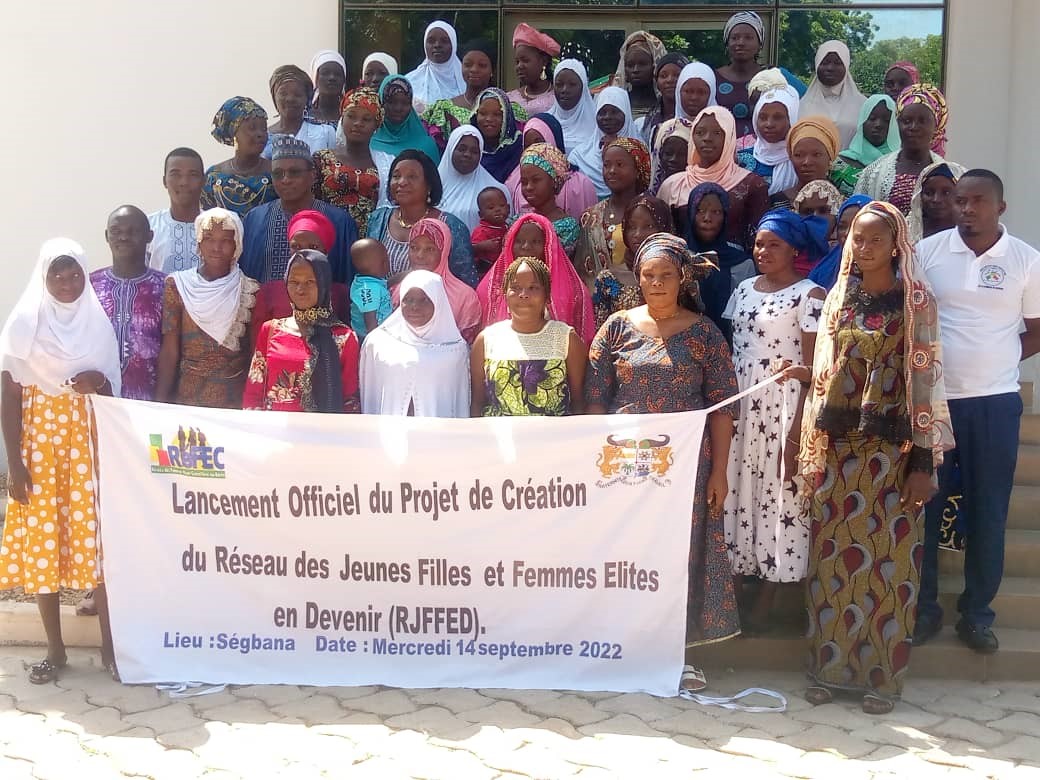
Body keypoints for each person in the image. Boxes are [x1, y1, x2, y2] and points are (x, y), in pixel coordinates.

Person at [797, 200, 952, 713]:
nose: (863, 248)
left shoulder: (916, 301)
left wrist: (923, 461)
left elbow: (927, 379)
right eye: (856, 239)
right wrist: (811, 445)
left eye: (875, 240)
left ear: (896, 245)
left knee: (890, 564)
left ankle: (881, 679)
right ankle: (828, 670)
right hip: (839, 447)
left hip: (893, 449)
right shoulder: (839, 296)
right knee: (831, 560)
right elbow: (825, 372)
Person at [586, 233, 739, 692]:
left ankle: (680, 655)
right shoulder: (616, 328)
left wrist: (719, 472)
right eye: (648, 275)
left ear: (682, 278)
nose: (656, 283)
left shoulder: (705, 334)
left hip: (685, 471)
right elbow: (595, 400)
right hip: (624, 469)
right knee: (628, 555)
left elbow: (722, 408)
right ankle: (625, 649)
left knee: (679, 556)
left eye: (666, 275)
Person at [915, 170, 1040, 654]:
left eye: (977, 201)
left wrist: (1000, 359)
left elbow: (1036, 328)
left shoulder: (1026, 261)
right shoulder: (929, 252)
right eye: (960, 201)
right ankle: (924, 611)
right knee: (925, 507)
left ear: (1000, 208)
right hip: (934, 403)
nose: (966, 209)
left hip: (994, 404)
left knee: (989, 509)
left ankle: (977, 616)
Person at [0, 238, 122, 684]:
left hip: (88, 446)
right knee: (44, 544)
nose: (67, 282)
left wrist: (98, 382)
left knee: (99, 545)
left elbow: (112, 391)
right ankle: (55, 651)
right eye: (57, 274)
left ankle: (111, 649)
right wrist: (15, 464)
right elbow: (9, 396)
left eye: (74, 274)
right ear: (43, 275)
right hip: (39, 449)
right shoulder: (24, 323)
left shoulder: (97, 323)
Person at [723, 210, 827, 632]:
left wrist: (798, 430)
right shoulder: (743, 289)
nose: (763, 251)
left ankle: (770, 594)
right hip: (741, 404)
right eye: (759, 243)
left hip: (783, 406)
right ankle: (734, 585)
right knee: (738, 491)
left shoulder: (810, 295)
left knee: (778, 492)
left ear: (794, 250)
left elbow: (815, 368)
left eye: (774, 245)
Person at [156, 208, 259, 408]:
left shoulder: (249, 290)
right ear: (199, 242)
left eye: (226, 240)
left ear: (237, 244)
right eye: (209, 239)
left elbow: (253, 355)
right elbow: (170, 350)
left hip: (233, 404)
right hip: (188, 400)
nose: (216, 248)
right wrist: (158, 404)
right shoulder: (178, 285)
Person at [244, 249, 360, 412]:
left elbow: (350, 401)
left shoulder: (343, 338)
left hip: (321, 428)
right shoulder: (270, 330)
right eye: (294, 282)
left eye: (310, 282)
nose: (300, 289)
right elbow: (253, 392)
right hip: (273, 427)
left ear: (323, 284)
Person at [471, 256, 586, 417]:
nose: (523, 294)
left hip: (554, 433)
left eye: (533, 288)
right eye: (515, 288)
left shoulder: (566, 339)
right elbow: (477, 403)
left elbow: (579, 401)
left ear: (547, 296)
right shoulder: (486, 340)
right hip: (499, 433)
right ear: (505, 294)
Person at [241, 135, 357, 285]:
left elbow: (347, 282)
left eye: (294, 172)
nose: (286, 180)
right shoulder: (255, 220)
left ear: (312, 175)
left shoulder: (339, 222)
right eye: (278, 174)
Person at [360, 270, 470, 417]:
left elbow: (460, 404)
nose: (414, 307)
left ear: (438, 301)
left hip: (437, 431)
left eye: (424, 300)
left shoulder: (455, 350)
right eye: (408, 299)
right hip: (388, 430)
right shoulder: (377, 344)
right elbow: (370, 397)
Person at [658, 107, 769, 252]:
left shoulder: (752, 184)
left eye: (717, 133)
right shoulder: (673, 185)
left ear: (729, 136)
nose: (707, 138)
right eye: (700, 132)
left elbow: (757, 241)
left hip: (738, 264)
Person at [478, 212, 595, 345]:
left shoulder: (573, 291)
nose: (526, 247)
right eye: (519, 241)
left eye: (536, 242)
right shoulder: (489, 289)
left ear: (548, 245)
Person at [366, 149, 477, 286]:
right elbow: (365, 273)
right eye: (396, 176)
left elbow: (465, 283)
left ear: (429, 185)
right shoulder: (379, 219)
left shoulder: (451, 226)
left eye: (412, 176)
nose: (402, 182)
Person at [92, 205, 165, 400]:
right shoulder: (90, 285)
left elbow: (173, 350)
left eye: (133, 231)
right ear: (107, 236)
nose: (124, 237)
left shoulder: (166, 287)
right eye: (116, 231)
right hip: (97, 402)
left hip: (149, 402)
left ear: (149, 236)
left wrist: (162, 404)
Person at [249, 209, 352, 346]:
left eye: (313, 247)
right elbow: (259, 348)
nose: (303, 252)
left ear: (326, 251)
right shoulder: (269, 292)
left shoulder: (341, 294)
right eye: (296, 246)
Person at [855, 84, 949, 214]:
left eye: (922, 121)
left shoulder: (952, 174)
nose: (913, 127)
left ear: (936, 126)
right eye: (907, 121)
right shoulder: (873, 173)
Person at [685, 183, 754, 342]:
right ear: (690, 213)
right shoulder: (677, 256)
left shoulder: (741, 263)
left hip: (729, 345)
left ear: (725, 216)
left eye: (716, 212)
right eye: (700, 211)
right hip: (685, 344)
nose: (707, 218)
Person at [575, 137, 651, 280]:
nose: (611, 171)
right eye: (606, 165)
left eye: (620, 164)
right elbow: (582, 271)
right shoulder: (590, 216)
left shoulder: (651, 212)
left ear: (638, 169)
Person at [592, 194, 674, 328]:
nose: (637, 234)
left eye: (648, 226)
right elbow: (600, 330)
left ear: (663, 229)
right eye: (632, 227)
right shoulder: (608, 279)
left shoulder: (679, 276)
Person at [398, 218, 482, 343]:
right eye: (414, 247)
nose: (420, 255)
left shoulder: (464, 297)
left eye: (430, 249)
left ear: (444, 251)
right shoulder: (398, 289)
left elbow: (465, 346)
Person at [314, 88, 383, 236]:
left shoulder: (384, 165)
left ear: (376, 125)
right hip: (328, 237)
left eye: (366, 119)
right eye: (351, 116)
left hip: (369, 241)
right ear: (342, 119)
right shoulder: (322, 159)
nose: (358, 123)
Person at [422, 40, 512, 152]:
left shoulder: (506, 109)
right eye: (468, 65)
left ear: (492, 70)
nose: (474, 69)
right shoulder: (444, 109)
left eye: (482, 65)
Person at [504, 113, 598, 220]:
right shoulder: (515, 182)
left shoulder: (581, 185)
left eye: (540, 144)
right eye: (527, 146)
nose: (534, 150)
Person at [371, 76, 442, 206]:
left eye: (405, 103)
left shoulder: (427, 145)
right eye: (392, 102)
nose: (398, 108)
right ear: (381, 103)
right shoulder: (369, 142)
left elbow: (434, 189)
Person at [202, 96, 275, 217]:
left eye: (264, 129)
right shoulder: (213, 176)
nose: (260, 134)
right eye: (252, 128)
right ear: (233, 133)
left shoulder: (276, 172)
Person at [438, 125, 512, 233]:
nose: (467, 154)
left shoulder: (498, 191)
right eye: (462, 149)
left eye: (474, 151)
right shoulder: (431, 189)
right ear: (451, 149)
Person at [513, 143, 582, 258]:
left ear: (554, 181)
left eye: (536, 180)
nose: (529, 187)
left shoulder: (567, 228)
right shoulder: (517, 221)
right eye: (524, 182)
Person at [571, 87, 638, 198]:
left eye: (614, 112)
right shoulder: (579, 156)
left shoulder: (639, 154)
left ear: (626, 114)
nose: (607, 117)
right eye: (602, 112)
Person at [799, 41, 866, 148]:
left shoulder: (863, 105)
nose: (830, 68)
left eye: (837, 63)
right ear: (817, 65)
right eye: (825, 62)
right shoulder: (802, 105)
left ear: (846, 66)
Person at [830, 95, 900, 197]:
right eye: (872, 118)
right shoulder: (838, 163)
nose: (878, 124)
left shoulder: (898, 164)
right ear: (862, 121)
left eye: (886, 120)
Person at [736, 85, 800, 196]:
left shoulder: (802, 162)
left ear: (792, 119)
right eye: (763, 117)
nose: (769, 124)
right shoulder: (739, 159)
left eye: (778, 118)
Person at [148, 148, 204, 273]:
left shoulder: (217, 226)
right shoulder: (149, 225)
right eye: (175, 174)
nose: (184, 182)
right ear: (164, 181)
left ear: (203, 181)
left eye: (193, 175)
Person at [714, 11, 768, 138]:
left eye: (748, 38)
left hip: (761, 148)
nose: (741, 43)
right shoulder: (713, 78)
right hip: (720, 147)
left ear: (760, 43)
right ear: (727, 43)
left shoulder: (771, 77)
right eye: (734, 38)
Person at [769, 115, 841, 210]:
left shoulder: (845, 204)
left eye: (816, 154)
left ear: (830, 157)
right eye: (798, 155)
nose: (807, 162)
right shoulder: (776, 203)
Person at [263, 65, 336, 157]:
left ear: (307, 98)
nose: (290, 99)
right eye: (283, 93)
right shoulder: (263, 138)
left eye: (297, 94)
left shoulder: (325, 133)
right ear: (274, 96)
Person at [808, 194, 871, 290]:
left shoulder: (887, 270)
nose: (847, 233)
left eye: (857, 226)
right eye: (842, 227)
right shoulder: (825, 269)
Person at [405, 21, 466, 113]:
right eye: (431, 41)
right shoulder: (409, 82)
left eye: (444, 41)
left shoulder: (467, 80)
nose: (437, 45)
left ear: (454, 45)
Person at [612, 31, 667, 131]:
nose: (635, 70)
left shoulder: (667, 105)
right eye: (630, 65)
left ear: (654, 66)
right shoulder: (617, 103)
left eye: (642, 64)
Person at [472, 88, 525, 183]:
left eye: (497, 114)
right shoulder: (470, 147)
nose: (489, 119)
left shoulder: (519, 148)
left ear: (507, 117)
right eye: (483, 113)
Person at [507, 23, 561, 116]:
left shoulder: (558, 100)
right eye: (517, 61)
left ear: (544, 61)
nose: (519, 66)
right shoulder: (509, 99)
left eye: (525, 60)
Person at [549, 59, 598, 161]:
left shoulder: (599, 125)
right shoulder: (545, 123)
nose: (565, 90)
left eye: (572, 84)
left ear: (583, 87)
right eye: (559, 84)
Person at [791, 179, 842, 275]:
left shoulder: (844, 254)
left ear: (836, 214)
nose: (815, 216)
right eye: (807, 212)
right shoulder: (787, 251)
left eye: (823, 211)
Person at [907, 161, 967, 244]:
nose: (936, 199)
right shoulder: (906, 230)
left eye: (946, 193)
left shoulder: (974, 233)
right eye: (928, 193)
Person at [642, 53, 690, 148]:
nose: (670, 80)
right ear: (656, 81)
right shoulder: (648, 120)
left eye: (677, 75)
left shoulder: (696, 116)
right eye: (663, 76)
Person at [349, 238, 393, 341]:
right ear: (384, 263)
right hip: (367, 337)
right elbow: (370, 321)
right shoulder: (368, 289)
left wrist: (406, 274)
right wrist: (375, 342)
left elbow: (388, 284)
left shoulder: (367, 281)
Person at [471, 187, 510, 275]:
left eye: (502, 205)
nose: (498, 210)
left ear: (508, 208)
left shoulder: (509, 227)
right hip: (486, 270)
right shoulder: (481, 231)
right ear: (481, 214)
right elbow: (470, 250)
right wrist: (482, 246)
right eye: (491, 208)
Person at [650, 117, 692, 194]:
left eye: (681, 154)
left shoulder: (696, 190)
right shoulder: (647, 191)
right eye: (668, 153)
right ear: (660, 154)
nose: (673, 159)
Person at [308, 50, 348, 126]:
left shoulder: (352, 115)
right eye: (325, 73)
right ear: (315, 78)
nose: (332, 78)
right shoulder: (303, 115)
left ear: (344, 79)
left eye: (337, 74)